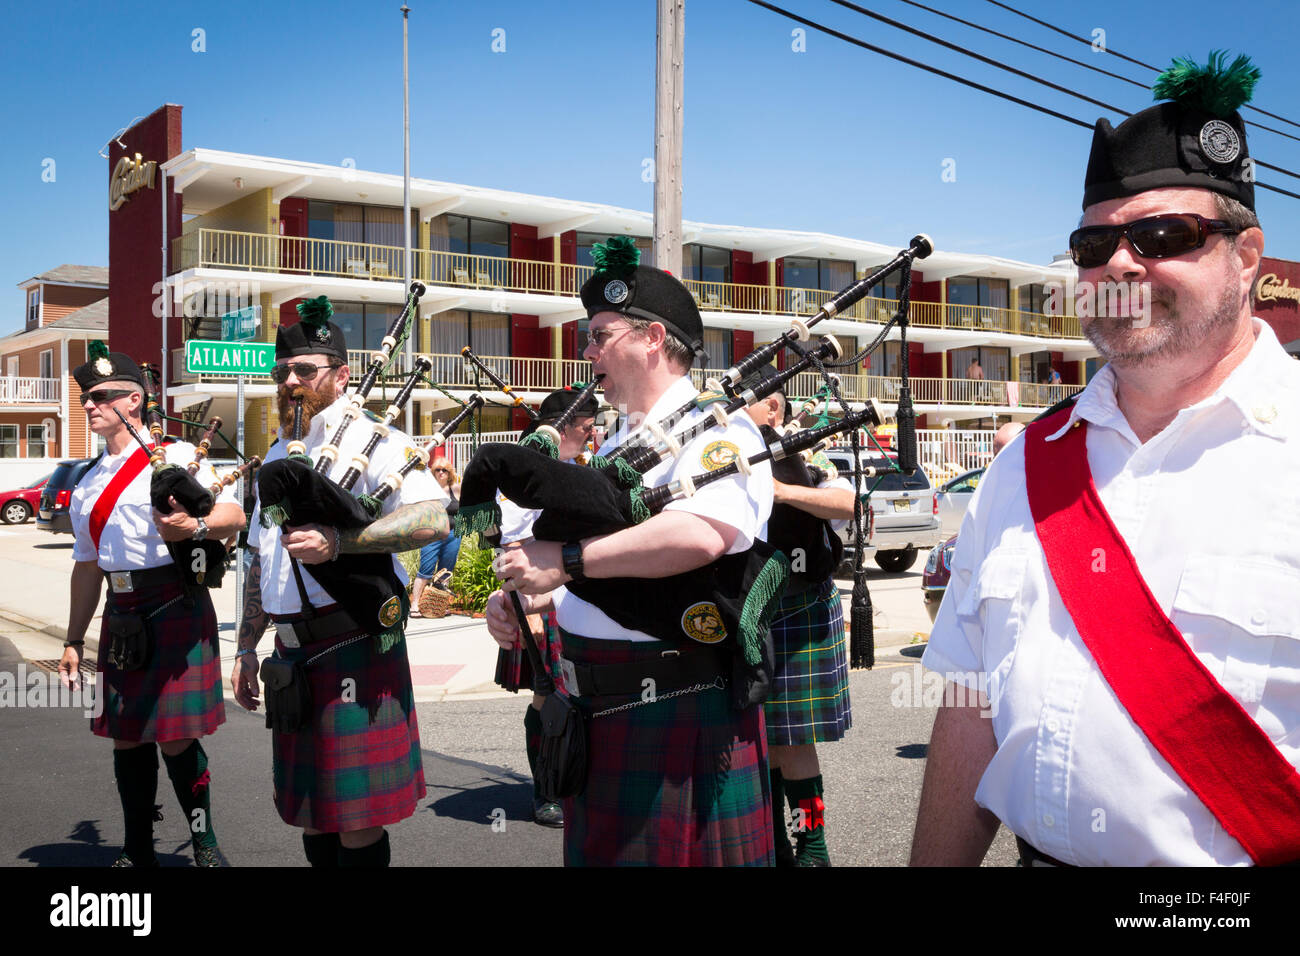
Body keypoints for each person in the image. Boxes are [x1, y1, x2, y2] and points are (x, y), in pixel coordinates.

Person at [911, 54, 1300, 866]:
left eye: (1165, 235)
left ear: (1247, 254)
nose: (1120, 265)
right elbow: (967, 709)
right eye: (1095, 244)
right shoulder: (1022, 466)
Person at [487, 238, 776, 866]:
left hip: (677, 705)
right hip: (596, 706)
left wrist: (563, 562)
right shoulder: (620, 441)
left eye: (599, 334)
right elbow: (593, 550)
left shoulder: (720, 431)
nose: (587, 352)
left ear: (650, 338)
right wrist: (523, 593)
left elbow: (699, 533)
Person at [229, 296, 448, 867]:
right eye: (282, 372)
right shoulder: (277, 451)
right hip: (291, 652)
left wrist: (342, 542)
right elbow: (260, 556)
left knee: (355, 821)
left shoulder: (373, 440)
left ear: (342, 376)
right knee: (312, 812)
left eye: (305, 370)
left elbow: (433, 518)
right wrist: (246, 646)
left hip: (352, 641)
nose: (291, 381)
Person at [58, 344, 246, 867]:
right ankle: (138, 847)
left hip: (174, 604)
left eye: (99, 397)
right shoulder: (87, 482)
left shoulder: (179, 457)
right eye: (85, 398)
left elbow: (234, 513)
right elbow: (86, 566)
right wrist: (74, 640)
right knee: (126, 739)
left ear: (134, 400)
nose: (88, 406)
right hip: (121, 614)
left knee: (176, 740)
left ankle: (204, 841)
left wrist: (197, 525)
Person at [742, 366, 855, 866]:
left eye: (742, 400)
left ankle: (811, 845)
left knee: (792, 737)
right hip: (746, 610)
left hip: (800, 604)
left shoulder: (807, 451)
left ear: (772, 408)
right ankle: (776, 844)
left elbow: (849, 502)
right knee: (758, 734)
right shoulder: (725, 453)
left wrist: (783, 491)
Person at [491, 386, 597, 828]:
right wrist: (529, 610)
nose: (592, 437)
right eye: (586, 429)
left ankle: (576, 783)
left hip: (581, 591)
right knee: (547, 698)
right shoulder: (525, 476)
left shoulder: (583, 467)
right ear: (564, 429)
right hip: (539, 598)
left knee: (583, 696)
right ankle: (546, 791)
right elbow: (511, 545)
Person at [410, 454, 461, 617]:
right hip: (432, 534)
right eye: (437, 469)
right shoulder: (426, 489)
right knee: (425, 570)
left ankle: (439, 606)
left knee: (445, 572)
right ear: (433, 472)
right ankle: (415, 604)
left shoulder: (456, 489)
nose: (441, 473)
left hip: (453, 534)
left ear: (450, 473)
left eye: (444, 470)